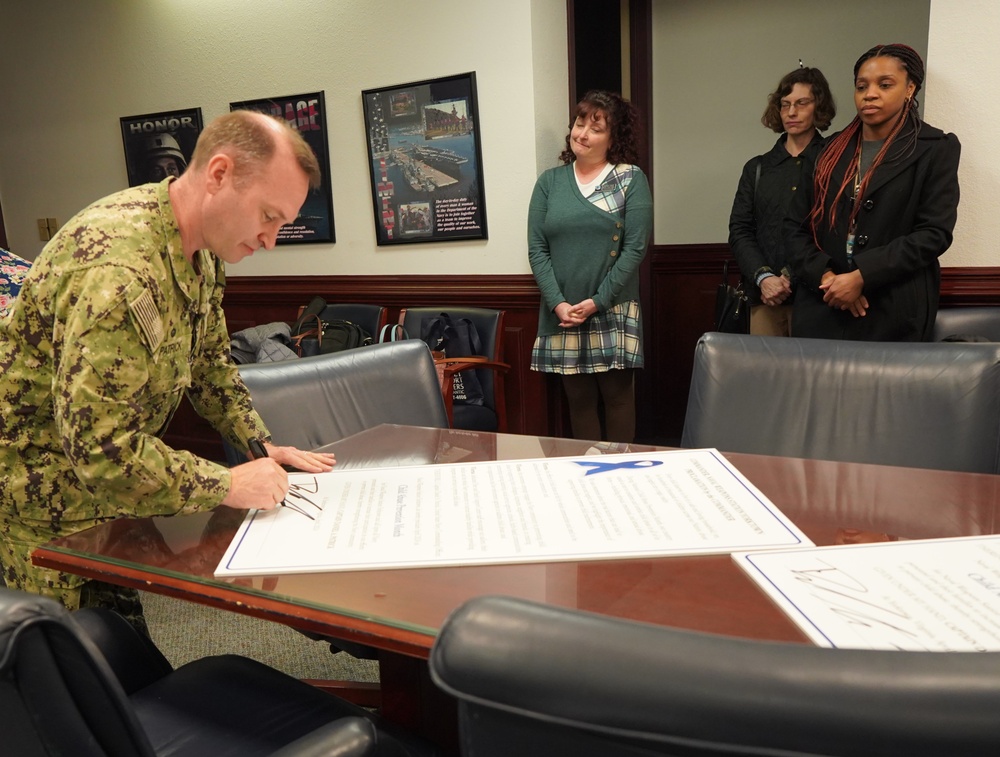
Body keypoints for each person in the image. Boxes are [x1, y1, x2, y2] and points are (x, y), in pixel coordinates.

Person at [0, 110, 335, 628]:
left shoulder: (201, 249)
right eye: (268, 216)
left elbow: (209, 364)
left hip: (111, 504)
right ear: (219, 175)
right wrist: (226, 483)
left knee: (125, 658)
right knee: (59, 682)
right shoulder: (118, 273)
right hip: (47, 514)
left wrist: (257, 444)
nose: (271, 240)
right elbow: (102, 451)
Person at [785, 44, 961, 341]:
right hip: (822, 307)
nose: (870, 93)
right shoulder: (826, 151)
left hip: (893, 311)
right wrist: (827, 278)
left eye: (885, 84)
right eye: (861, 86)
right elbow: (794, 227)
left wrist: (862, 276)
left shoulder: (935, 148)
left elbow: (934, 233)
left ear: (910, 89)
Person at [528, 90, 653, 443]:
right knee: (578, 401)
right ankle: (588, 483)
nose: (582, 133)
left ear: (614, 138)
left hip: (612, 306)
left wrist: (598, 300)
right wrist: (558, 303)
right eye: (580, 123)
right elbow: (537, 249)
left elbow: (635, 247)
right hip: (563, 310)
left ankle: (622, 480)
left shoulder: (630, 179)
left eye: (596, 128)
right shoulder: (549, 182)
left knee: (617, 399)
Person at [728, 66, 835, 336]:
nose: (791, 112)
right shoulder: (757, 168)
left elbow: (834, 228)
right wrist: (765, 278)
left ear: (818, 106)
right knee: (764, 377)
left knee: (816, 377)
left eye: (801, 103)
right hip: (764, 297)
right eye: (785, 104)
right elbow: (740, 230)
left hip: (818, 296)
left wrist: (790, 276)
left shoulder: (834, 162)